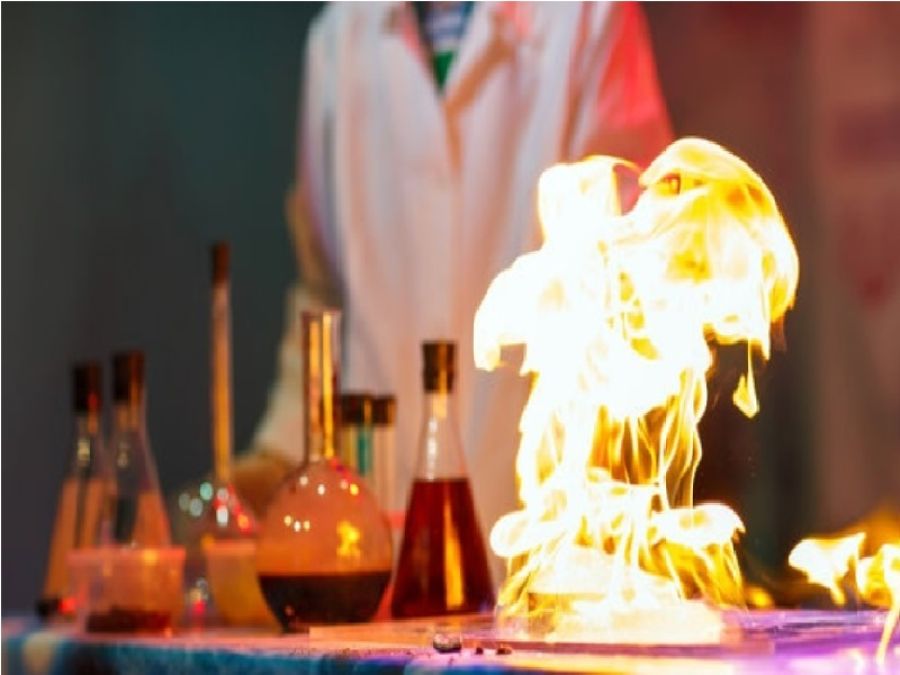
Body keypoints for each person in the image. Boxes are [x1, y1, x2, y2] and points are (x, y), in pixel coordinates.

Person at [233, 2, 673, 570]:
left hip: (545, 542)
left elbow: (640, 274)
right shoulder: (341, 36)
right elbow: (324, 294)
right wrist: (278, 456)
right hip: (377, 545)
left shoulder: (586, 18)